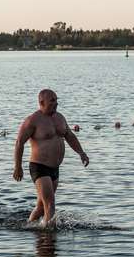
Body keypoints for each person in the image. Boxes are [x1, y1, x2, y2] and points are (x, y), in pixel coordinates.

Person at [13, 89, 89, 226]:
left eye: (56, 100)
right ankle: (49, 238)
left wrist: (81, 152)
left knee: (42, 207)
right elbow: (19, 143)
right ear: (41, 102)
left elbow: (70, 136)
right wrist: (18, 167)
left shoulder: (60, 118)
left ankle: (28, 226)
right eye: (52, 100)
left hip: (55, 168)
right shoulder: (33, 120)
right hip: (39, 167)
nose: (56, 103)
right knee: (50, 204)